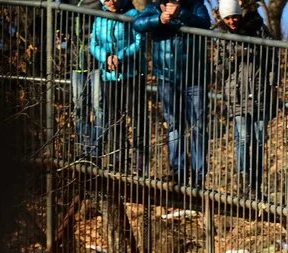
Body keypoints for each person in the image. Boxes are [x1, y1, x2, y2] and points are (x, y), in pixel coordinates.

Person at [133, 0, 211, 187]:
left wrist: (181, 15)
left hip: (195, 76)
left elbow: (205, 24)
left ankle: (199, 175)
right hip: (166, 76)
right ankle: (179, 171)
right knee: (174, 124)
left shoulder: (195, 5)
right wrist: (159, 19)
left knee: (198, 126)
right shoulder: (154, 6)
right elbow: (137, 24)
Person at [213, 0, 278, 199]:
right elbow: (218, 68)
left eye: (235, 16)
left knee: (258, 140)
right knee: (243, 139)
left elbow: (273, 55)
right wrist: (235, 58)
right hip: (237, 94)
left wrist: (272, 82)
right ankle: (244, 183)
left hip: (259, 92)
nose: (232, 21)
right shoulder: (220, 35)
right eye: (228, 17)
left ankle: (256, 187)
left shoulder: (258, 28)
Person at [90, 0, 148, 174]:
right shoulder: (99, 17)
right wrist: (106, 57)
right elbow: (94, 44)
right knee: (114, 120)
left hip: (132, 75)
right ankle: (118, 161)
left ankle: (139, 165)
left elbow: (140, 42)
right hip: (109, 76)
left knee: (137, 118)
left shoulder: (133, 15)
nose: (112, 2)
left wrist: (120, 57)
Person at [70, 1, 104, 161]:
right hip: (76, 62)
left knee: (98, 105)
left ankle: (95, 152)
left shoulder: (98, 3)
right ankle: (85, 149)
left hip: (97, 62)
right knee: (79, 106)